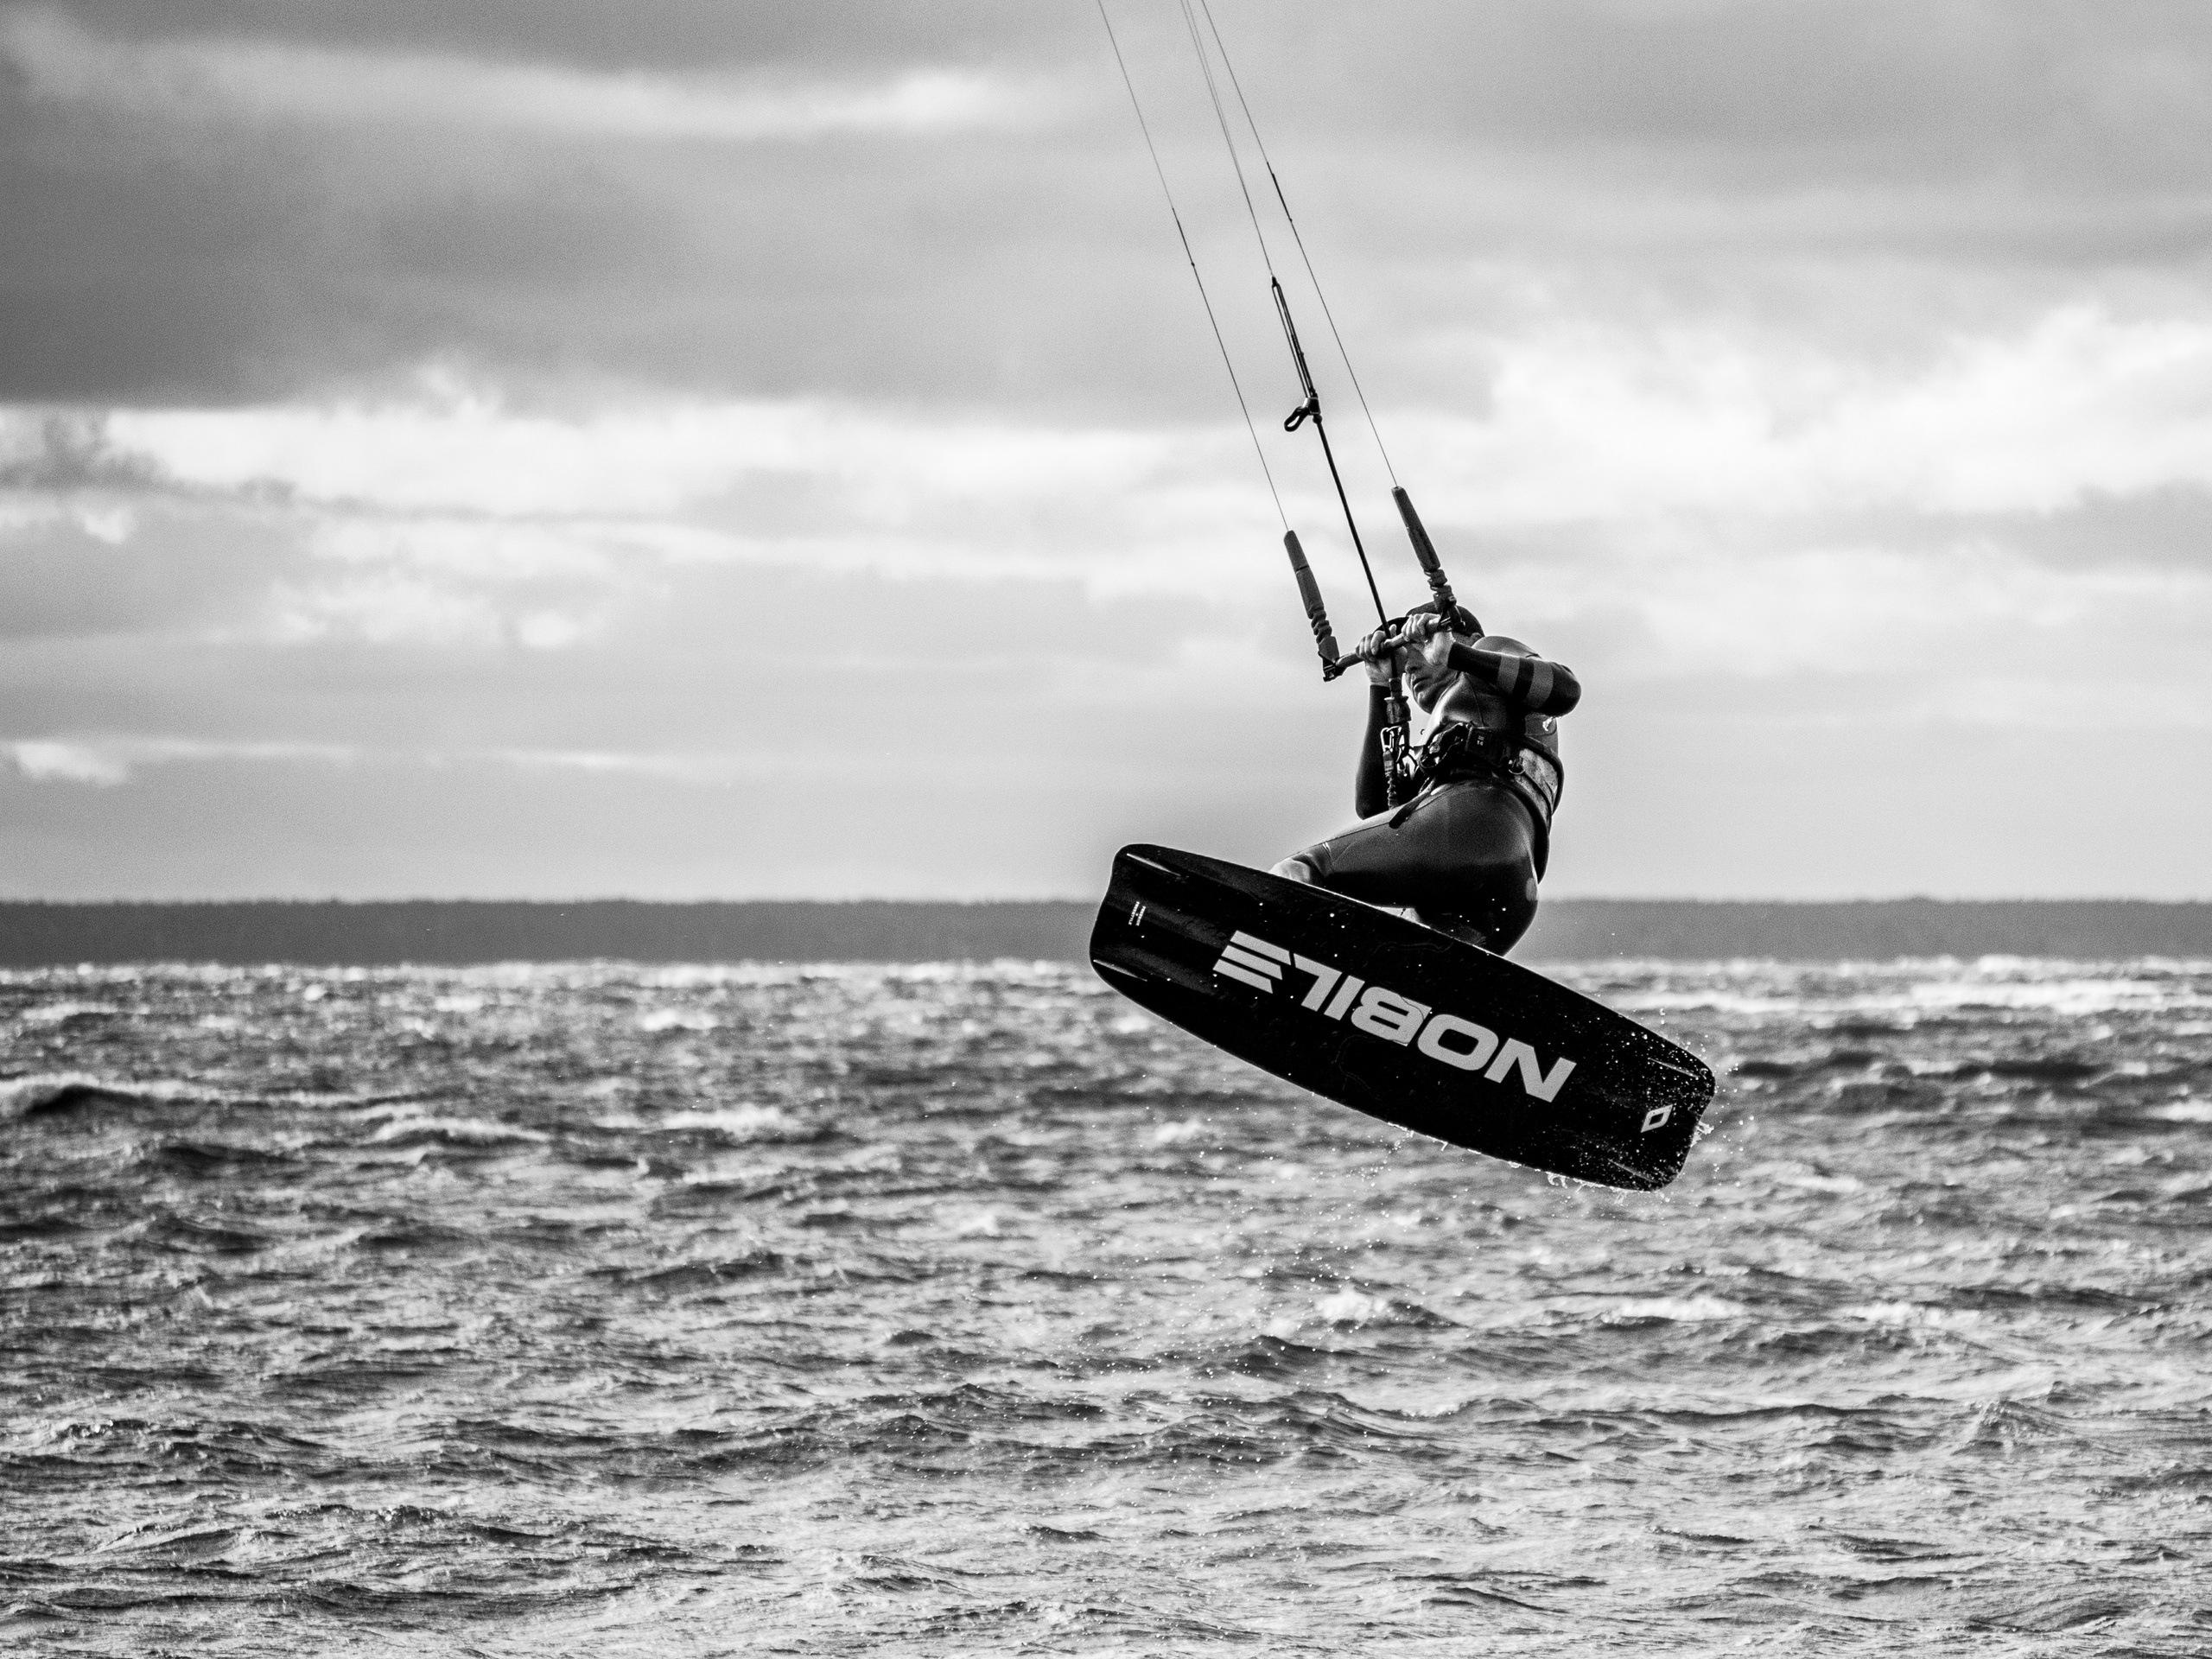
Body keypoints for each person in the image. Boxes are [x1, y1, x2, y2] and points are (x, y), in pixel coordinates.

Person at [1269, 601, 1580, 952]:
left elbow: (1566, 690)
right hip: (1511, 891)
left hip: (1473, 826)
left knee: (1300, 870)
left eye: (1419, 645)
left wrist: (1457, 654)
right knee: (1401, 973)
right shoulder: (1443, 735)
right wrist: (1380, 686)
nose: (1410, 664)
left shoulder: (1486, 651)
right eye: (1403, 655)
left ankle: (1269, 958)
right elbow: (1372, 807)